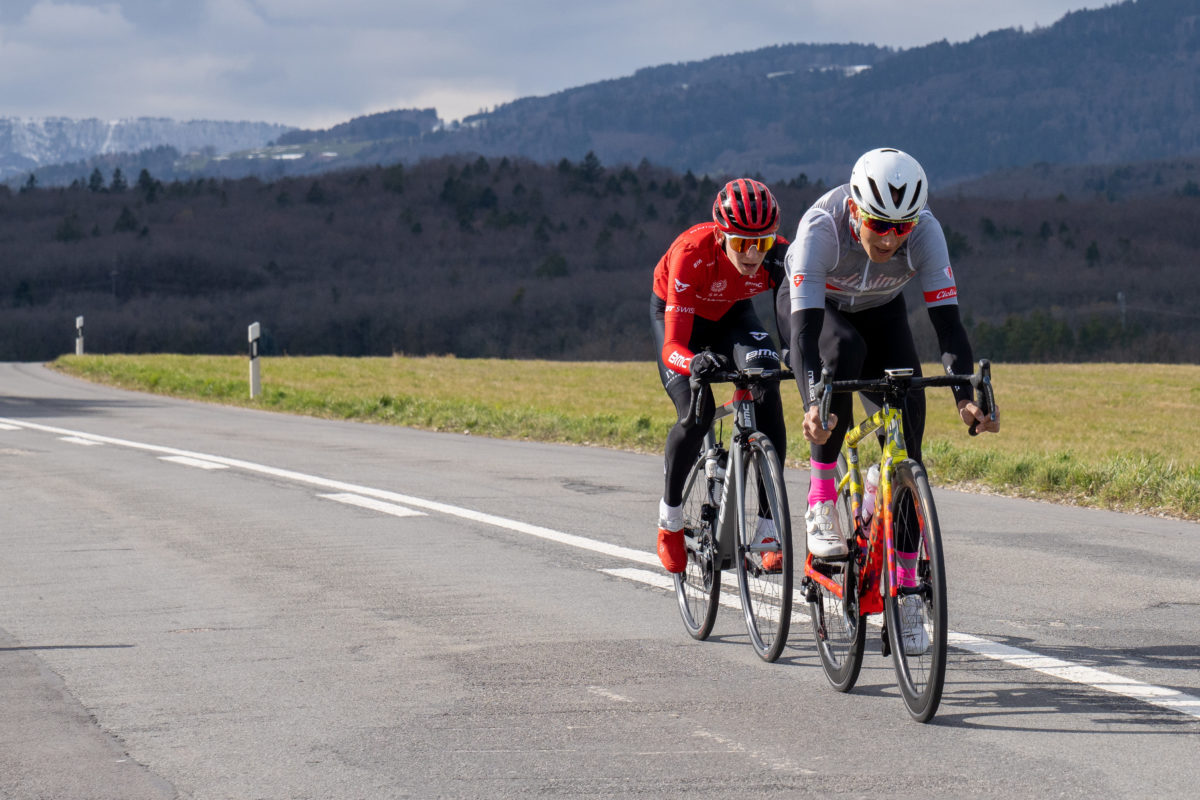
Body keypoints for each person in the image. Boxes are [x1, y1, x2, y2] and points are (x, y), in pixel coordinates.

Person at [781, 147, 1000, 568]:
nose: (888, 239)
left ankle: (906, 584)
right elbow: (805, 336)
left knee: (908, 442)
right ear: (854, 209)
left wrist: (963, 397)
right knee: (844, 349)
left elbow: (949, 326)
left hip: (880, 309)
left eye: (902, 227)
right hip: (816, 309)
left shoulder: (926, 233)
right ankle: (822, 497)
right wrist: (812, 404)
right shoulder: (821, 229)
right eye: (878, 224)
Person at [652, 178, 790, 574]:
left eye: (762, 243)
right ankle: (671, 521)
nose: (752, 254)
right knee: (697, 412)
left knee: (765, 380)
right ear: (720, 233)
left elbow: (790, 321)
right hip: (680, 320)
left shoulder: (778, 256)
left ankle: (767, 525)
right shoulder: (691, 253)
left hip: (732, 313)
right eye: (742, 242)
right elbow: (671, 347)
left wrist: (793, 355)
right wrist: (693, 363)